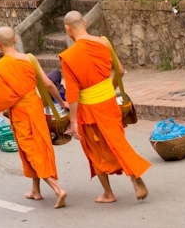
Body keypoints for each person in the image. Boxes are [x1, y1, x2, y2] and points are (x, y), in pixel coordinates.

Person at [60, 11, 150, 203]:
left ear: (68, 30)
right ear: (84, 23)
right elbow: (121, 70)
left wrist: (73, 121)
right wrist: (110, 88)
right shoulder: (103, 42)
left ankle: (108, 193)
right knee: (118, 142)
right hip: (109, 103)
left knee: (94, 150)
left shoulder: (68, 56)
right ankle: (134, 177)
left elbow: (73, 94)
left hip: (88, 109)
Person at [0, 26, 68, 208]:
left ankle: (57, 189)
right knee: (37, 146)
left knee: (30, 151)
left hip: (21, 112)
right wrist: (62, 104)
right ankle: (35, 191)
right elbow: (48, 84)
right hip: (36, 107)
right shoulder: (29, 59)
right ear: (15, 40)